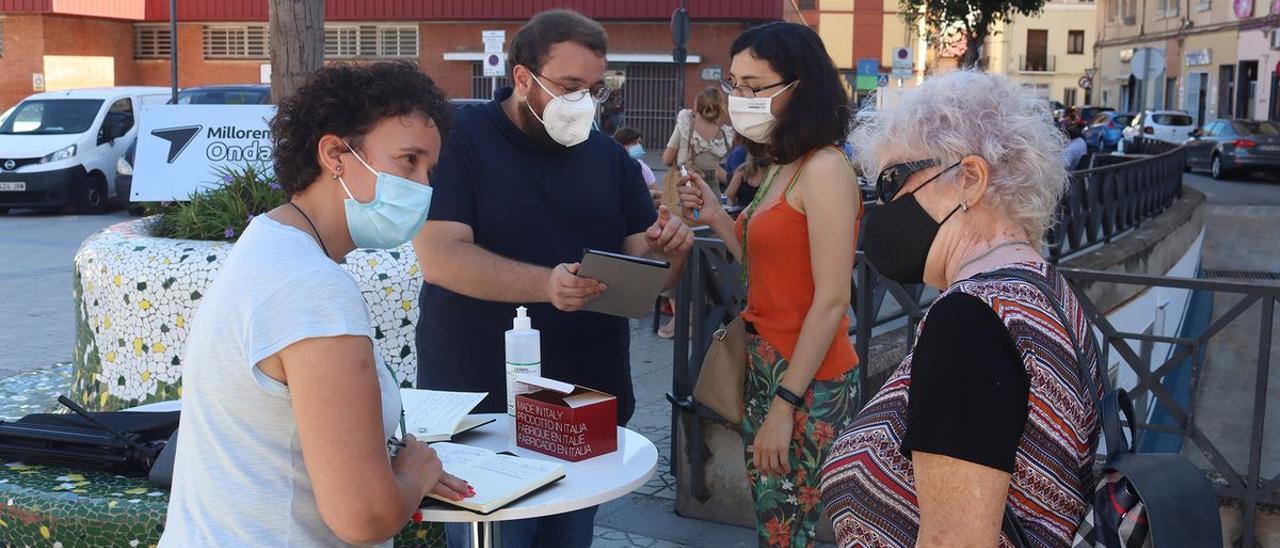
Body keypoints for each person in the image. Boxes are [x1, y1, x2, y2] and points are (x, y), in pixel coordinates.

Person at [411, 10, 695, 548]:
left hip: (584, 399)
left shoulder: (608, 157)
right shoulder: (460, 140)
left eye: (595, 89)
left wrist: (668, 251)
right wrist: (547, 284)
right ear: (523, 78)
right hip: (483, 407)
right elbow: (441, 256)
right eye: (569, 87)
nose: (584, 102)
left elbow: (650, 275)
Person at [160, 62, 471, 547]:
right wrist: (416, 471)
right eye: (408, 161)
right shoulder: (313, 288)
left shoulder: (268, 242)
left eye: (430, 168)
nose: (424, 187)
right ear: (335, 154)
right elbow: (363, 518)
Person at [819, 70, 1103, 547]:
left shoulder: (971, 320)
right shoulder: (1043, 288)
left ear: (970, 178)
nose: (882, 205)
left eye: (892, 182)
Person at [677, 21, 861, 548]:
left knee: (786, 530)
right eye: (735, 84)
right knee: (772, 521)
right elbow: (769, 266)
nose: (740, 98)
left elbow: (831, 301)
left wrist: (783, 406)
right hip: (768, 366)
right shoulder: (785, 165)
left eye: (755, 86)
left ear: (799, 88)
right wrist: (716, 218)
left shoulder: (824, 169)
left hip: (805, 376)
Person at [664, 87, 735, 187]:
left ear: (698, 106)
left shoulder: (685, 126)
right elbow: (714, 166)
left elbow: (667, 159)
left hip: (687, 185)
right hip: (712, 188)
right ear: (720, 109)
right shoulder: (724, 134)